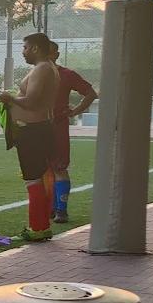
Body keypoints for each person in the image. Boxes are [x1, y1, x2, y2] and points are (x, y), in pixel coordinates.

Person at [0, 32, 61, 243]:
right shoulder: (48, 68)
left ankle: (38, 227)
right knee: (40, 177)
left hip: (33, 130)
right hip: (39, 128)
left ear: (35, 48)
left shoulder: (42, 68)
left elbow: (32, 101)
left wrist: (9, 97)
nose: (23, 52)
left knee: (33, 180)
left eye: (25, 48)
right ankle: (42, 225)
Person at [50, 49, 98, 224]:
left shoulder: (67, 75)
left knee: (59, 167)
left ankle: (61, 211)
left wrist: (74, 112)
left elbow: (91, 94)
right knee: (43, 169)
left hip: (57, 127)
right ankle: (52, 208)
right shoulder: (34, 74)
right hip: (37, 127)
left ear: (56, 54)